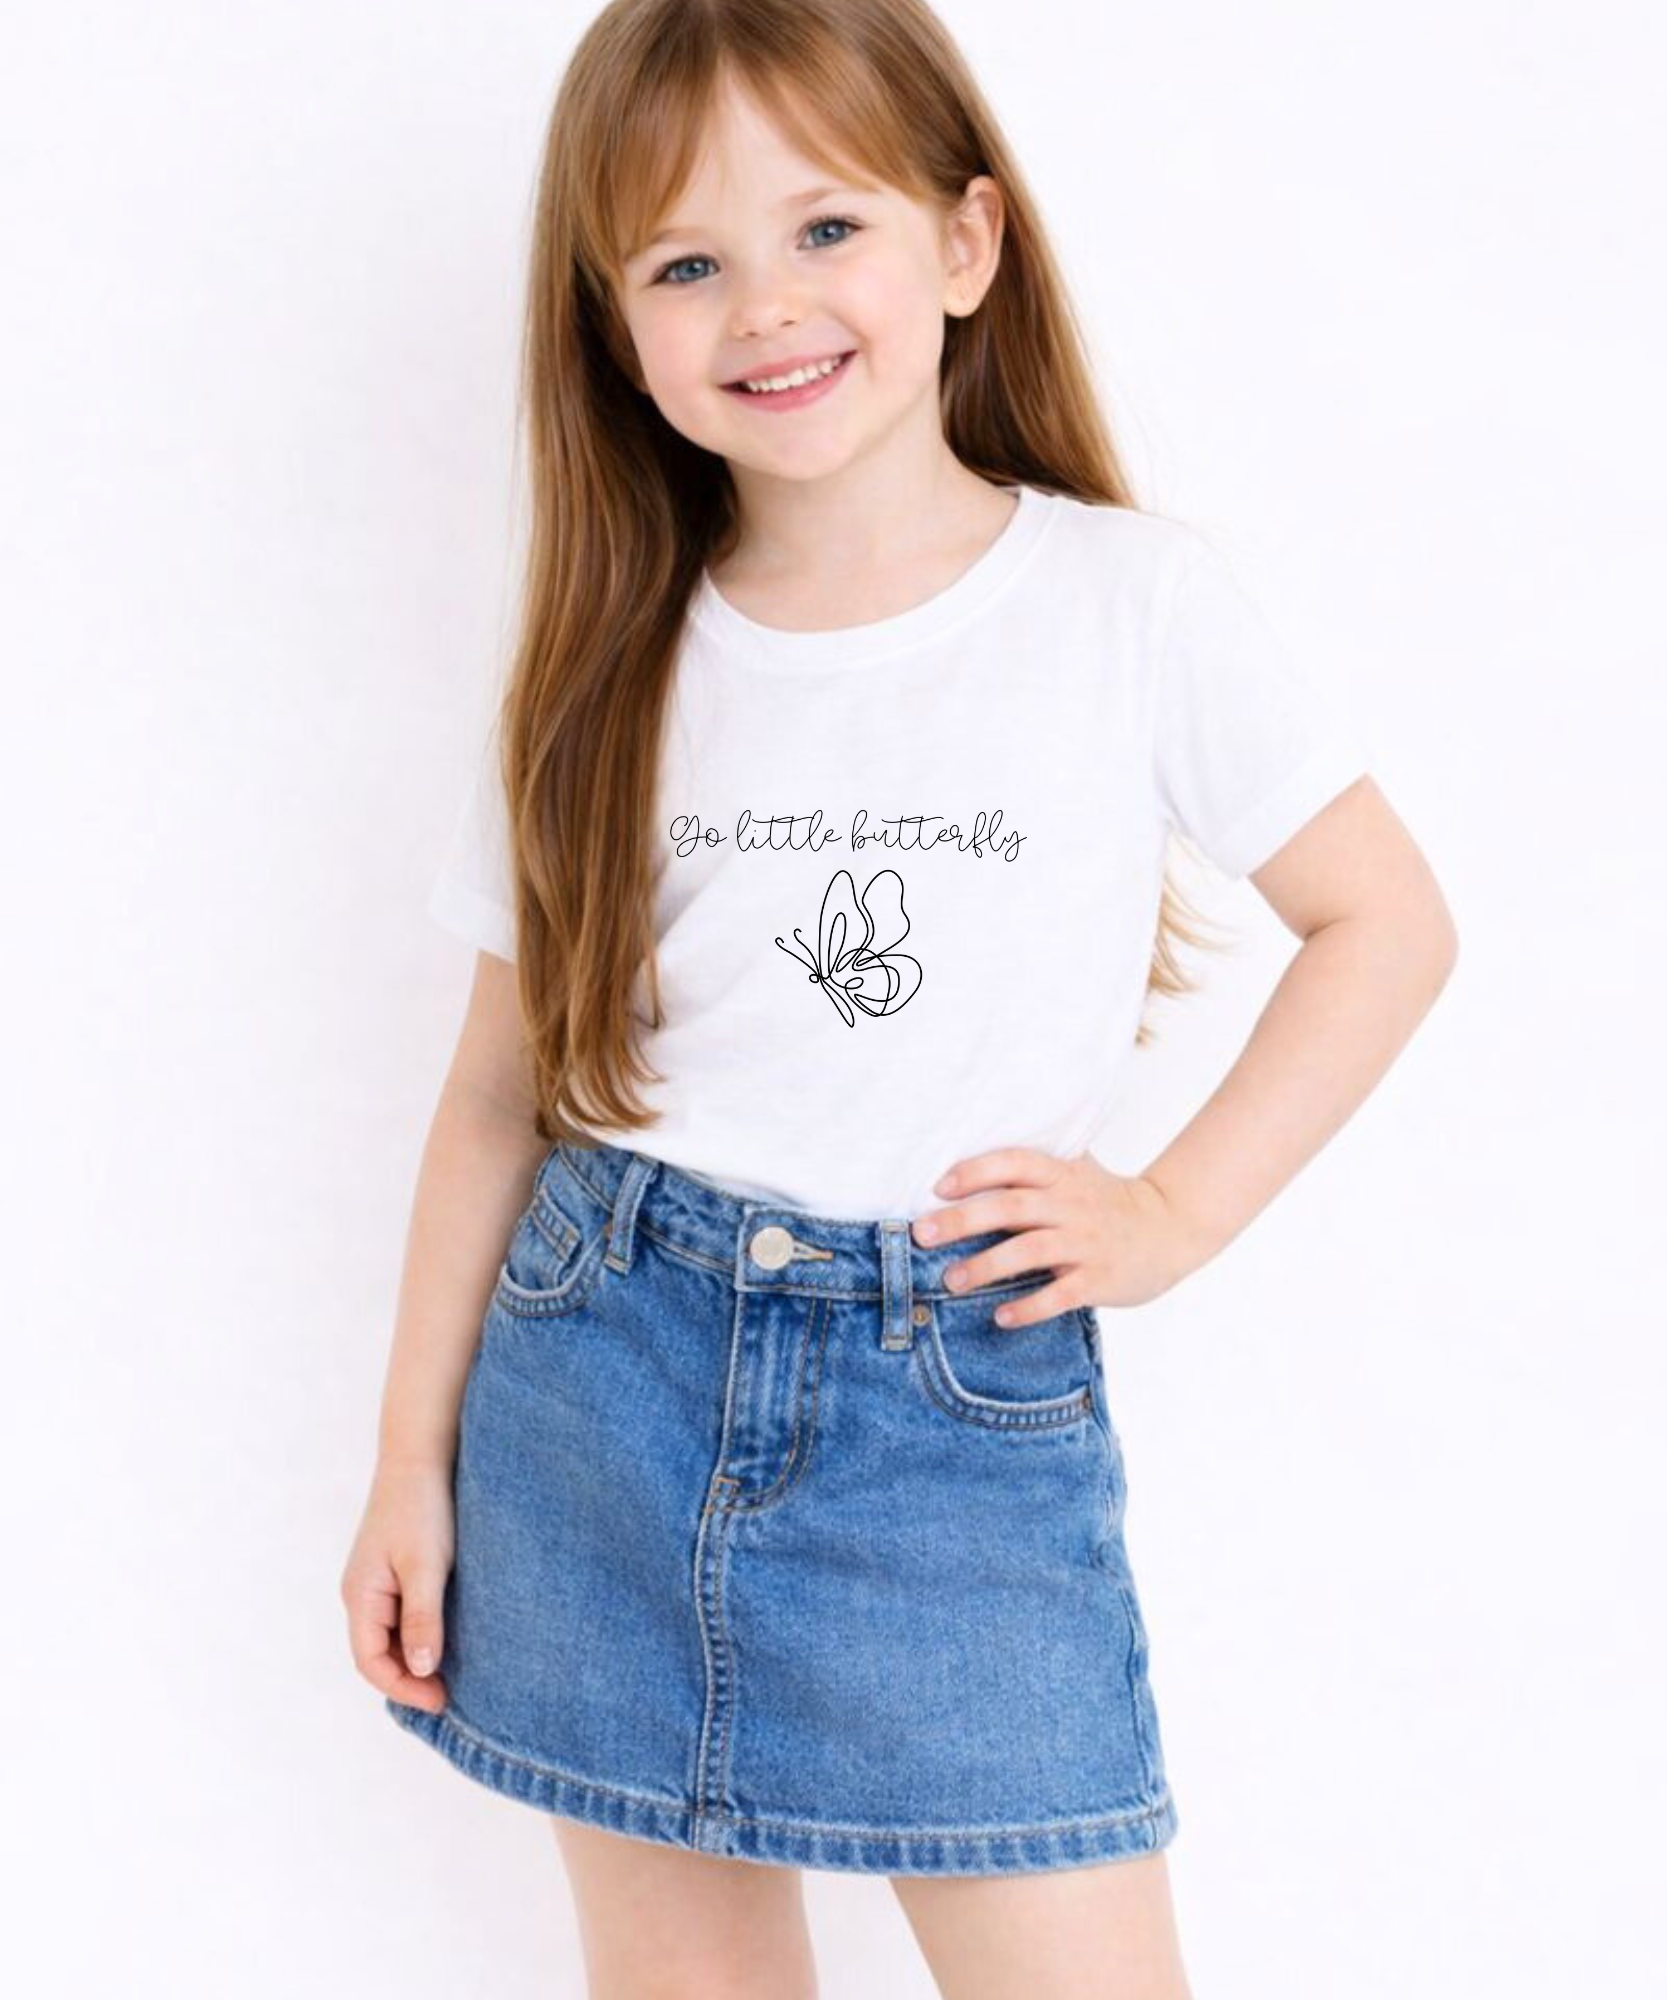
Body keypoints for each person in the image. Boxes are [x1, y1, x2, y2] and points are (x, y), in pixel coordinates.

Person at [340, 1, 1458, 1993]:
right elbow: (496, 1100)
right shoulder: (605, 667)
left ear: (962, 244)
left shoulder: (1132, 606)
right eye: (684, 263)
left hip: (949, 1412)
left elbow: (1382, 921)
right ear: (618, 329)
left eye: (821, 229)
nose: (761, 303)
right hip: (599, 1387)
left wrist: (1174, 1210)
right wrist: (406, 1461)